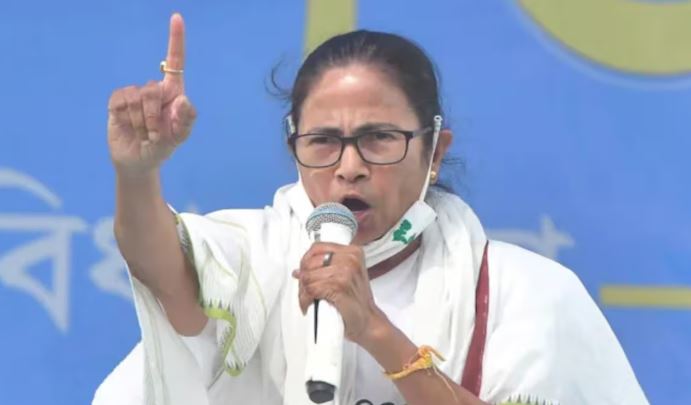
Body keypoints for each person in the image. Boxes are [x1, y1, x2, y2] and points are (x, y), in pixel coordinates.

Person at [94, 13, 648, 405]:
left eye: (379, 138)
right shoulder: (255, 256)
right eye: (323, 142)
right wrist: (137, 173)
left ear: (435, 152)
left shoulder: (524, 293)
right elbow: (158, 266)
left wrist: (376, 331)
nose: (349, 167)